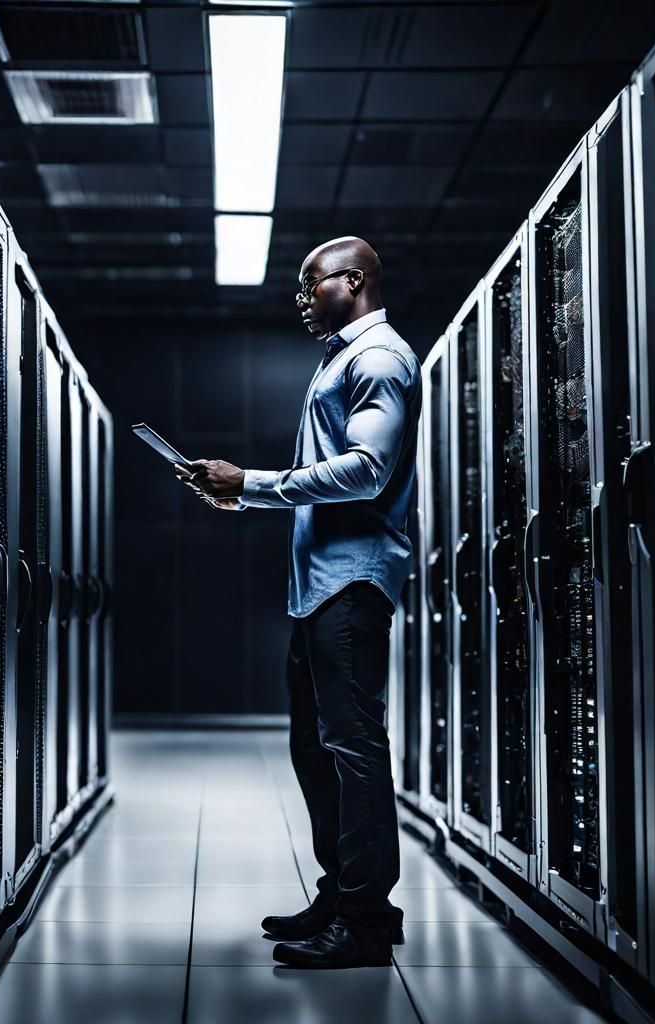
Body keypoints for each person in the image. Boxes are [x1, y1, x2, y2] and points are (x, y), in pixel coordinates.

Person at [175, 236, 422, 968]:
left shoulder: (378, 358)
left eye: (311, 284)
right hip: (318, 586)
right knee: (317, 748)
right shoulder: (340, 360)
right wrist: (241, 495)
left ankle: (367, 923)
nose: (302, 299)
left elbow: (367, 470)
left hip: (350, 583)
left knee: (353, 749)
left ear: (355, 280)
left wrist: (251, 483)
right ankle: (342, 895)